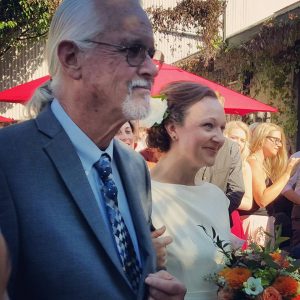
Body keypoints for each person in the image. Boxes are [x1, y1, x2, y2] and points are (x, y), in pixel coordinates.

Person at [0, 1, 186, 299]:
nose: (151, 68)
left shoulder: (134, 167)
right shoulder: (8, 160)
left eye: (151, 54)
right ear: (72, 58)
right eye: (133, 50)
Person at [146, 81, 235, 299]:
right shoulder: (140, 194)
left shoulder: (216, 196)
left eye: (222, 128)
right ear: (173, 129)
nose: (220, 138)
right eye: (208, 125)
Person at [240, 122, 300, 246]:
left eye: (280, 141)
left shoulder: (261, 163)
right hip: (254, 222)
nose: (279, 145)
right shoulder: (253, 162)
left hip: (262, 222)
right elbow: (262, 199)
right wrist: (288, 173)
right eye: (275, 140)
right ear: (262, 139)